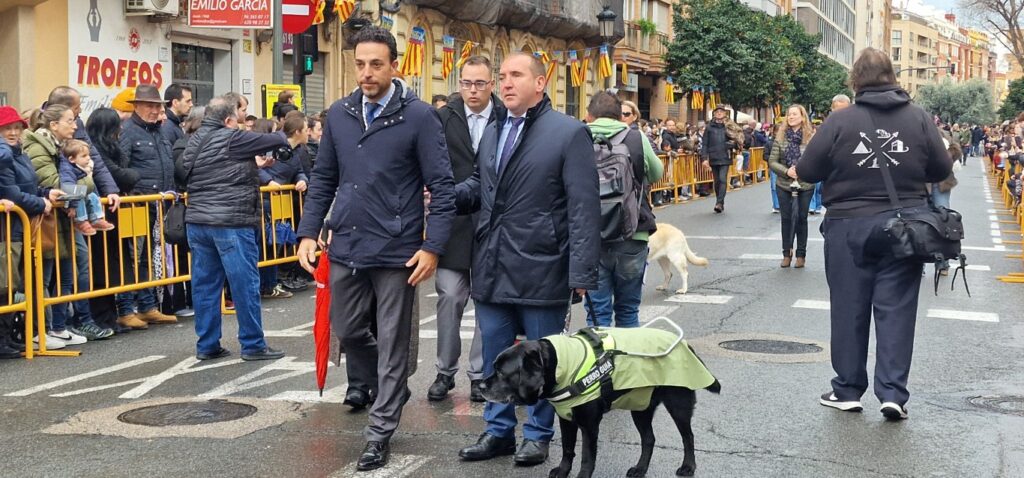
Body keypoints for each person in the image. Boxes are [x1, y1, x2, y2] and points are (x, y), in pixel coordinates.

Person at [295, 27, 455, 472]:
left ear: (394, 66)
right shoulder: (340, 113)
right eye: (360, 64)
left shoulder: (419, 116)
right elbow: (324, 177)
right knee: (347, 329)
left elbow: (442, 187)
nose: (366, 73)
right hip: (347, 242)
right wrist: (308, 232)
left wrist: (432, 246)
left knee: (392, 340)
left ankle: (379, 432)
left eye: (376, 65)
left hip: (397, 250)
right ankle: (392, 386)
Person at [454, 52, 599, 469]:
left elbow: (583, 206)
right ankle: (498, 431)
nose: (506, 83)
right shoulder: (494, 128)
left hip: (543, 265)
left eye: (516, 75)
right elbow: (481, 184)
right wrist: (449, 195)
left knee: (541, 361)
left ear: (540, 82)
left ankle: (537, 436)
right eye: (502, 76)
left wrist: (581, 272)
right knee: (495, 356)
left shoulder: (568, 132)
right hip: (492, 262)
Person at [797, 48, 952, 420]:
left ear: (855, 80)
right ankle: (893, 393)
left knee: (848, 308)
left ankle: (847, 389)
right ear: (893, 77)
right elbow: (941, 169)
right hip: (904, 227)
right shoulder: (918, 118)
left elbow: (807, 170)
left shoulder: (840, 120)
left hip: (849, 226)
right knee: (897, 310)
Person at [182, 93, 290, 364]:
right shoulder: (233, 137)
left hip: (198, 220)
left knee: (205, 286)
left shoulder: (194, 139)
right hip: (231, 221)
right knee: (245, 283)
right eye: (238, 116)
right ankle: (253, 344)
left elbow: (183, 172)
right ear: (229, 120)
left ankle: (207, 344)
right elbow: (275, 139)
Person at [430, 55, 503, 403]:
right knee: (449, 297)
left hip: (492, 224)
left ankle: (480, 374)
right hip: (452, 223)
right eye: (466, 83)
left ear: (492, 84)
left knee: (487, 302)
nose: (472, 90)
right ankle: (445, 371)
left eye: (479, 83)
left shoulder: (506, 117)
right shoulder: (443, 117)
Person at [24, 104, 112, 347]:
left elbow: (69, 187)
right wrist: (87, 179)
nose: (75, 126)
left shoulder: (58, 146)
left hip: (63, 219)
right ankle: (41, 331)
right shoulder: (38, 147)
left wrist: (78, 189)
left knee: (68, 273)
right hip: (45, 220)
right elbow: (59, 186)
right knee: (44, 277)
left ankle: (59, 327)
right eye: (70, 120)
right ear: (54, 125)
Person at [585, 91, 662, 328]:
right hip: (632, 232)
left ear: (589, 115)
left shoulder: (578, 136)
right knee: (628, 310)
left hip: (591, 235)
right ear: (620, 116)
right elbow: (656, 173)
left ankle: (602, 352)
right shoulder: (636, 138)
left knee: (598, 313)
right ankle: (628, 352)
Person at [116, 84, 179, 329]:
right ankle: (125, 308)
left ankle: (147, 305)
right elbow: (122, 166)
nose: (155, 110)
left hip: (156, 204)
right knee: (131, 257)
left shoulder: (158, 132)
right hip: (135, 204)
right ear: (137, 106)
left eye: (157, 106)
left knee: (147, 257)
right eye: (150, 106)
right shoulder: (127, 132)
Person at [0, 105, 58, 357]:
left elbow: (27, 186)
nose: (13, 132)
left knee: (12, 285)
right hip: (7, 230)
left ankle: (8, 338)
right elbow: (12, 193)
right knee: (5, 285)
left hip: (18, 228)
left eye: (17, 127)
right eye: (7, 128)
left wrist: (46, 193)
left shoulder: (19, 153)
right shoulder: (5, 155)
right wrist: (40, 203)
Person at [257, 114, 309, 299]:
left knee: (275, 245)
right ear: (298, 132)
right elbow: (255, 166)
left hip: (280, 203)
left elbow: (299, 171)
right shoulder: (273, 145)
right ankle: (265, 285)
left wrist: (302, 180)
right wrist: (268, 181)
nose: (309, 133)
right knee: (265, 246)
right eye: (306, 129)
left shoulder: (295, 151)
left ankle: (270, 284)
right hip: (265, 201)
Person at [768, 105, 815, 268]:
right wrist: (787, 171)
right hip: (784, 184)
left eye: (794, 114)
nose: (791, 117)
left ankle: (801, 255)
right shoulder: (780, 137)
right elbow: (772, 161)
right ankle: (786, 253)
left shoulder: (811, 137)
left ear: (802, 117)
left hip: (805, 184)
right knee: (786, 219)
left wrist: (802, 170)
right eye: (789, 114)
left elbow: (816, 159)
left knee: (801, 218)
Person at [60, 140, 115, 235]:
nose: (88, 158)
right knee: (80, 196)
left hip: (77, 197)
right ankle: (80, 221)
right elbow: (69, 187)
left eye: (88, 155)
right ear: (71, 159)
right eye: (84, 156)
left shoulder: (83, 168)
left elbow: (90, 185)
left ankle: (95, 219)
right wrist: (71, 205)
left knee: (93, 196)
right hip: (71, 201)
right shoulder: (67, 169)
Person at [701, 107, 738, 213]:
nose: (719, 113)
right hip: (713, 157)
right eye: (717, 112)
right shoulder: (709, 127)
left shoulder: (729, 126)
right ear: (714, 114)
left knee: (722, 179)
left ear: (725, 114)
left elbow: (737, 140)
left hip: (725, 156)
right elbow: (704, 144)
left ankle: (719, 203)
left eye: (721, 112)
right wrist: (704, 158)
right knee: (717, 181)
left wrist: (732, 144)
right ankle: (719, 200)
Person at [161, 83, 193, 147]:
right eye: (188, 101)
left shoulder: (177, 123)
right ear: (175, 102)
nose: (191, 104)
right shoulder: (167, 128)